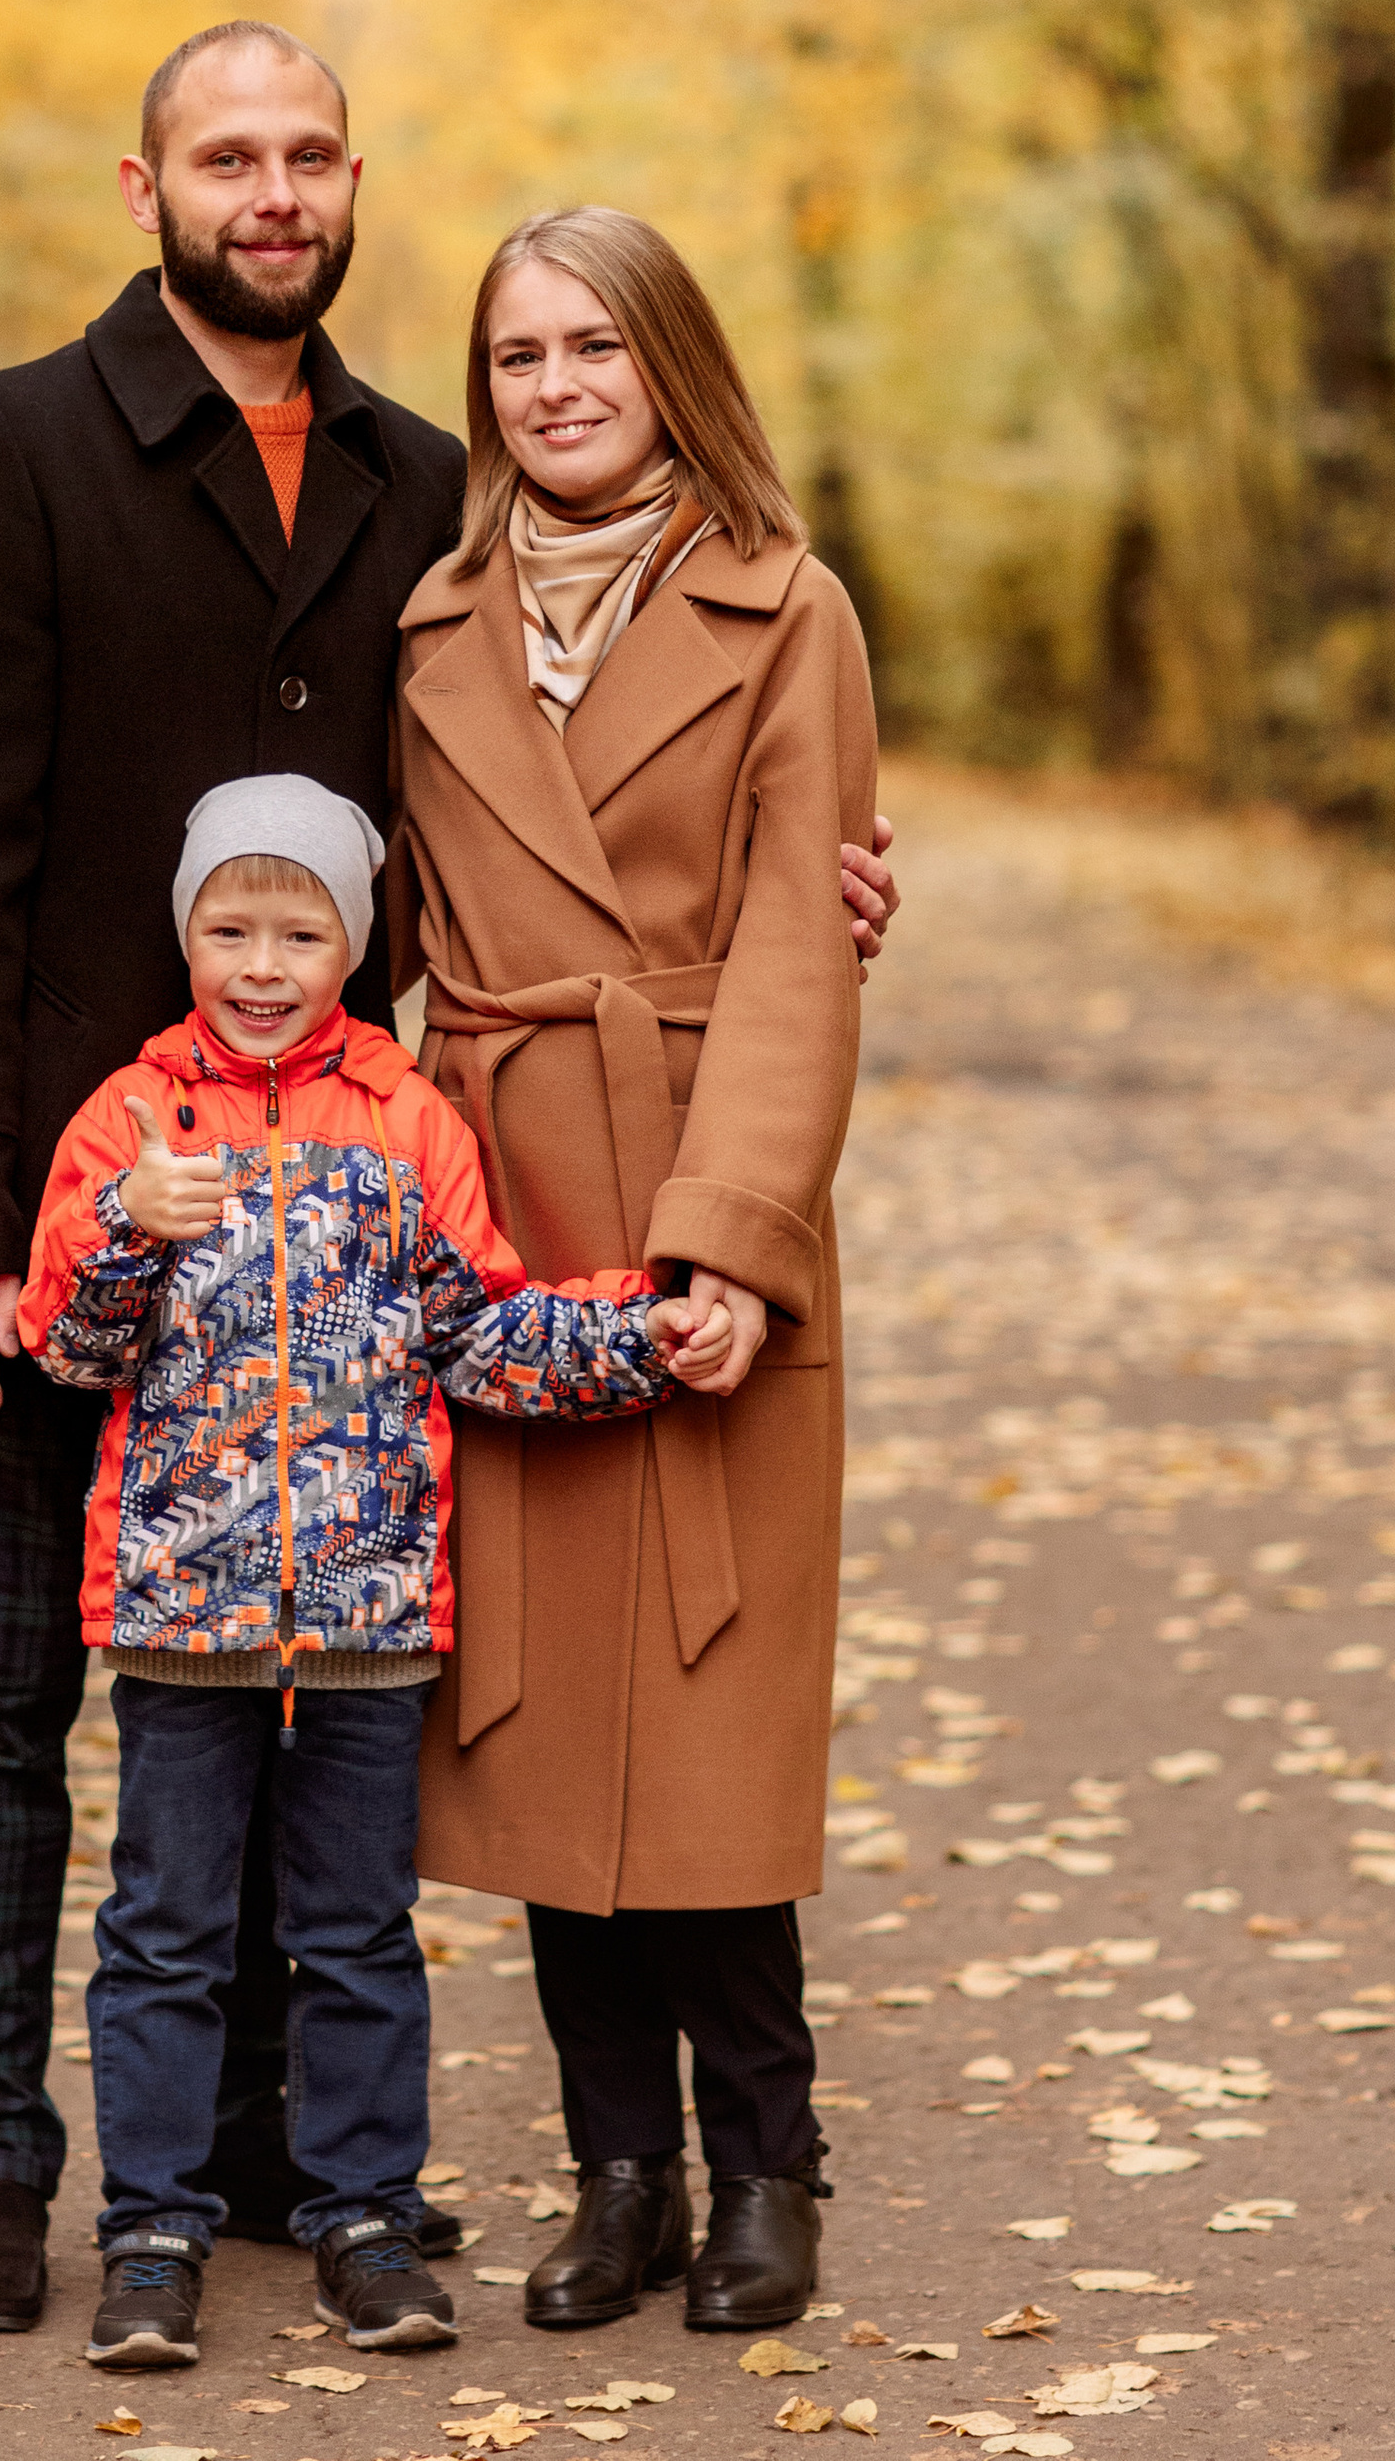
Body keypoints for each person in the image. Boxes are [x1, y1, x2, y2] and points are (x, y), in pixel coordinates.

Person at [0, 22, 900, 2337]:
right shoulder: (17, 447)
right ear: (142, 187)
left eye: (308, 153)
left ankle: (295, 2159)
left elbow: (447, 878)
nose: (271, 188)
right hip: (93, 1209)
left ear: (349, 187)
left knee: (337, 1682)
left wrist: (795, 920)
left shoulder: (422, 489)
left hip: (379, 1227)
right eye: (225, 155)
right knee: (7, 1714)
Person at [19, 774, 723, 2373]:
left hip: (368, 1616)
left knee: (354, 1931)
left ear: (353, 943)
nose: (261, 963)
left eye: (300, 928)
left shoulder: (409, 1121)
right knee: (168, 1932)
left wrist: (649, 1332)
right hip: (181, 1617)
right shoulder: (132, 1119)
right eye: (229, 926)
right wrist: (130, 1227)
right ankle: (151, 2232)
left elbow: (483, 1328)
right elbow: (69, 1344)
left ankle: (362, 2219)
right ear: (185, 931)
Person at [391, 205, 879, 2339]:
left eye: (594, 346)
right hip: (498, 1212)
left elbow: (794, 934)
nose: (556, 386)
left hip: (697, 1185)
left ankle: (766, 2165)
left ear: (668, 365)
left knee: (706, 1717)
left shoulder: (787, 609)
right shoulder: (433, 624)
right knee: (533, 1725)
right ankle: (618, 2172)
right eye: (516, 358)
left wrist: (739, 1246)